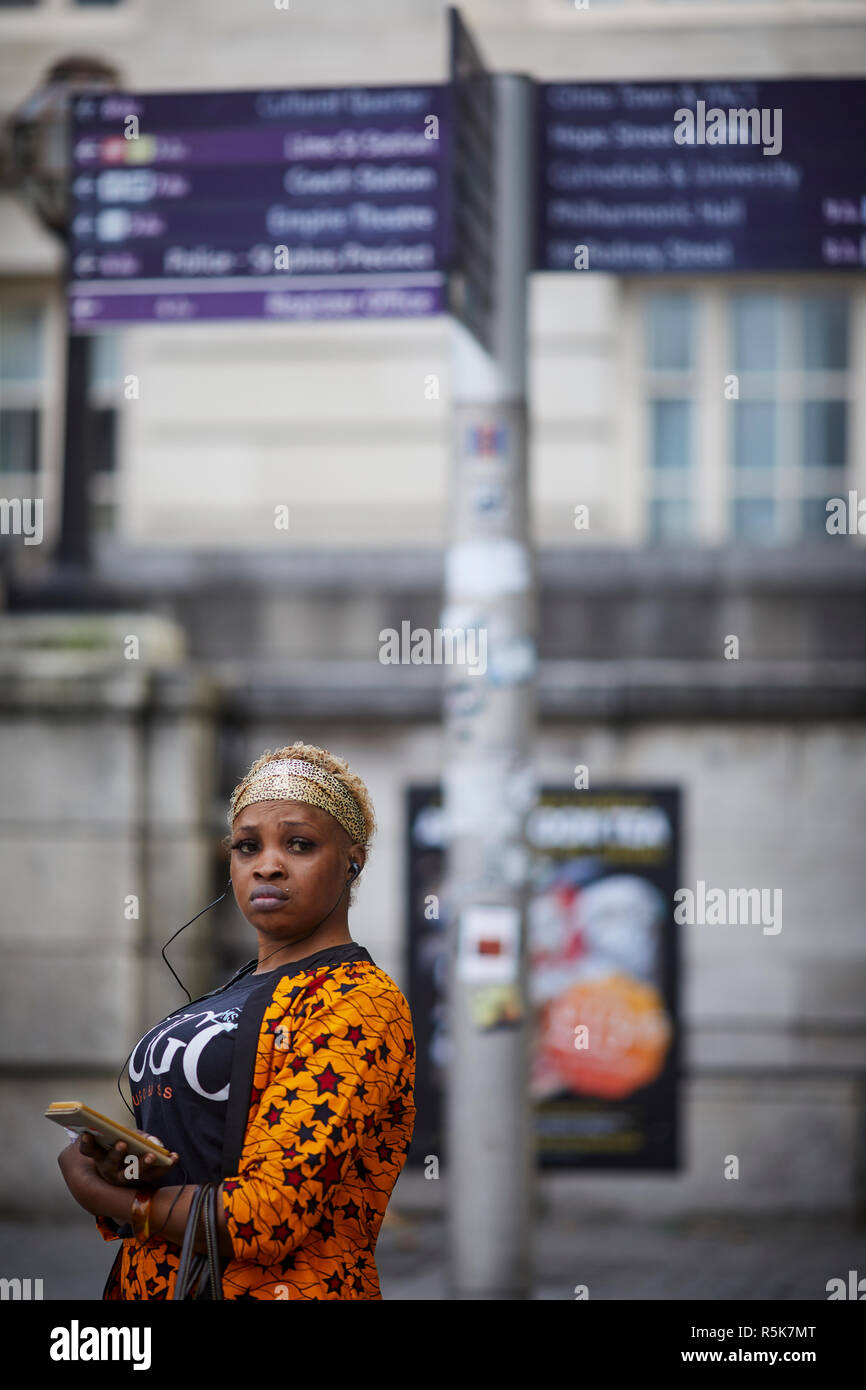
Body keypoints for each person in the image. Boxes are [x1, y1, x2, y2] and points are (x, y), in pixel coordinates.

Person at [57, 741, 416, 1300]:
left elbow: (268, 1214)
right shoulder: (238, 988)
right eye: (247, 846)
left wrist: (109, 1199)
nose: (267, 864)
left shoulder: (357, 1000)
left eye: (299, 844)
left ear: (353, 860)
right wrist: (123, 1165)